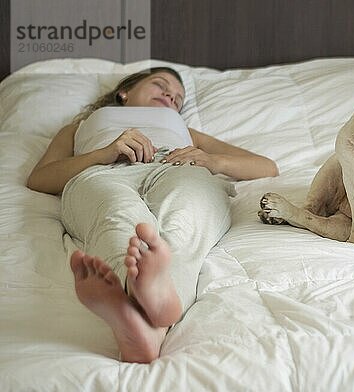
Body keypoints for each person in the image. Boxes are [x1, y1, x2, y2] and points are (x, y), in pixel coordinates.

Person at [27, 67, 279, 363]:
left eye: (177, 98)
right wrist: (103, 153)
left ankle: (143, 317)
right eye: (160, 85)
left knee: (185, 219)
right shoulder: (80, 126)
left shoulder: (183, 129)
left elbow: (267, 167)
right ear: (125, 92)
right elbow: (40, 178)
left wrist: (212, 160)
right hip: (103, 171)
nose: (170, 96)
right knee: (117, 215)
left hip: (177, 168)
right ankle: (151, 310)